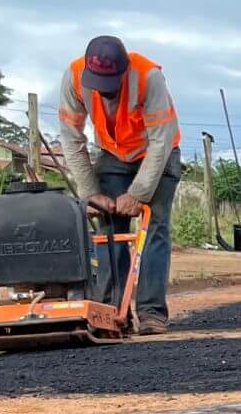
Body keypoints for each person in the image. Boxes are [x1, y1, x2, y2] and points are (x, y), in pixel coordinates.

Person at [55, 35, 182, 333]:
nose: (105, 93)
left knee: (155, 227)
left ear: (123, 72)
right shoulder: (73, 76)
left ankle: (152, 313)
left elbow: (161, 141)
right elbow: (71, 140)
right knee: (108, 227)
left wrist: (138, 194)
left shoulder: (149, 77)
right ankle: (112, 313)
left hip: (158, 154)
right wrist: (91, 193)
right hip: (113, 153)